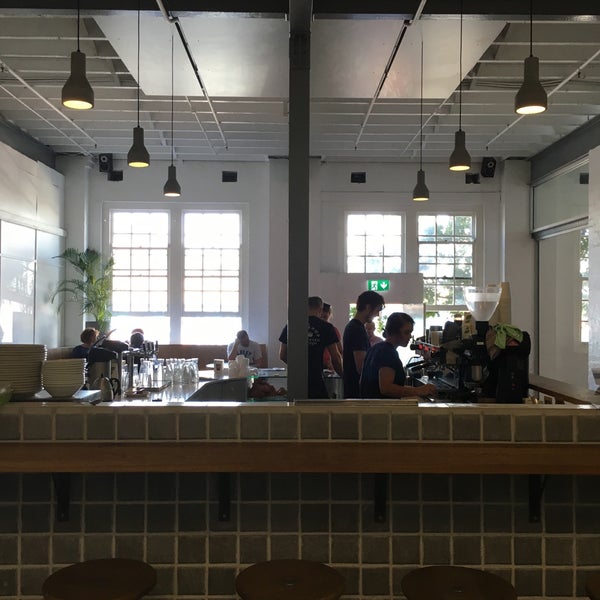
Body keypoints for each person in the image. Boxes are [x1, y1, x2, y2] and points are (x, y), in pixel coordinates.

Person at [360, 312, 437, 399]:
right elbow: (386, 389)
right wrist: (419, 390)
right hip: (382, 407)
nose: (410, 337)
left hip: (369, 405)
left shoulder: (376, 348)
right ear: (394, 332)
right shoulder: (388, 352)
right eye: (406, 332)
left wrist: (417, 389)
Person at [278, 296, 343, 399]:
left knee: (296, 406)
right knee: (317, 407)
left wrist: (297, 366)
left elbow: (282, 354)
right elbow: (336, 358)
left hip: (296, 378)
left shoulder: (292, 325)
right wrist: (343, 376)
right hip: (316, 378)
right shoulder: (326, 327)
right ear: (320, 309)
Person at [342, 290, 385, 398]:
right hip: (357, 391)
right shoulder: (357, 329)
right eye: (377, 310)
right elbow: (361, 366)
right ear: (368, 307)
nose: (377, 315)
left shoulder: (353, 326)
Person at [321, 302, 342, 371]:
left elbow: (340, 351)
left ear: (329, 315)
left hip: (329, 365)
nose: (323, 320)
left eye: (325, 317)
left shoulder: (333, 330)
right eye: (321, 317)